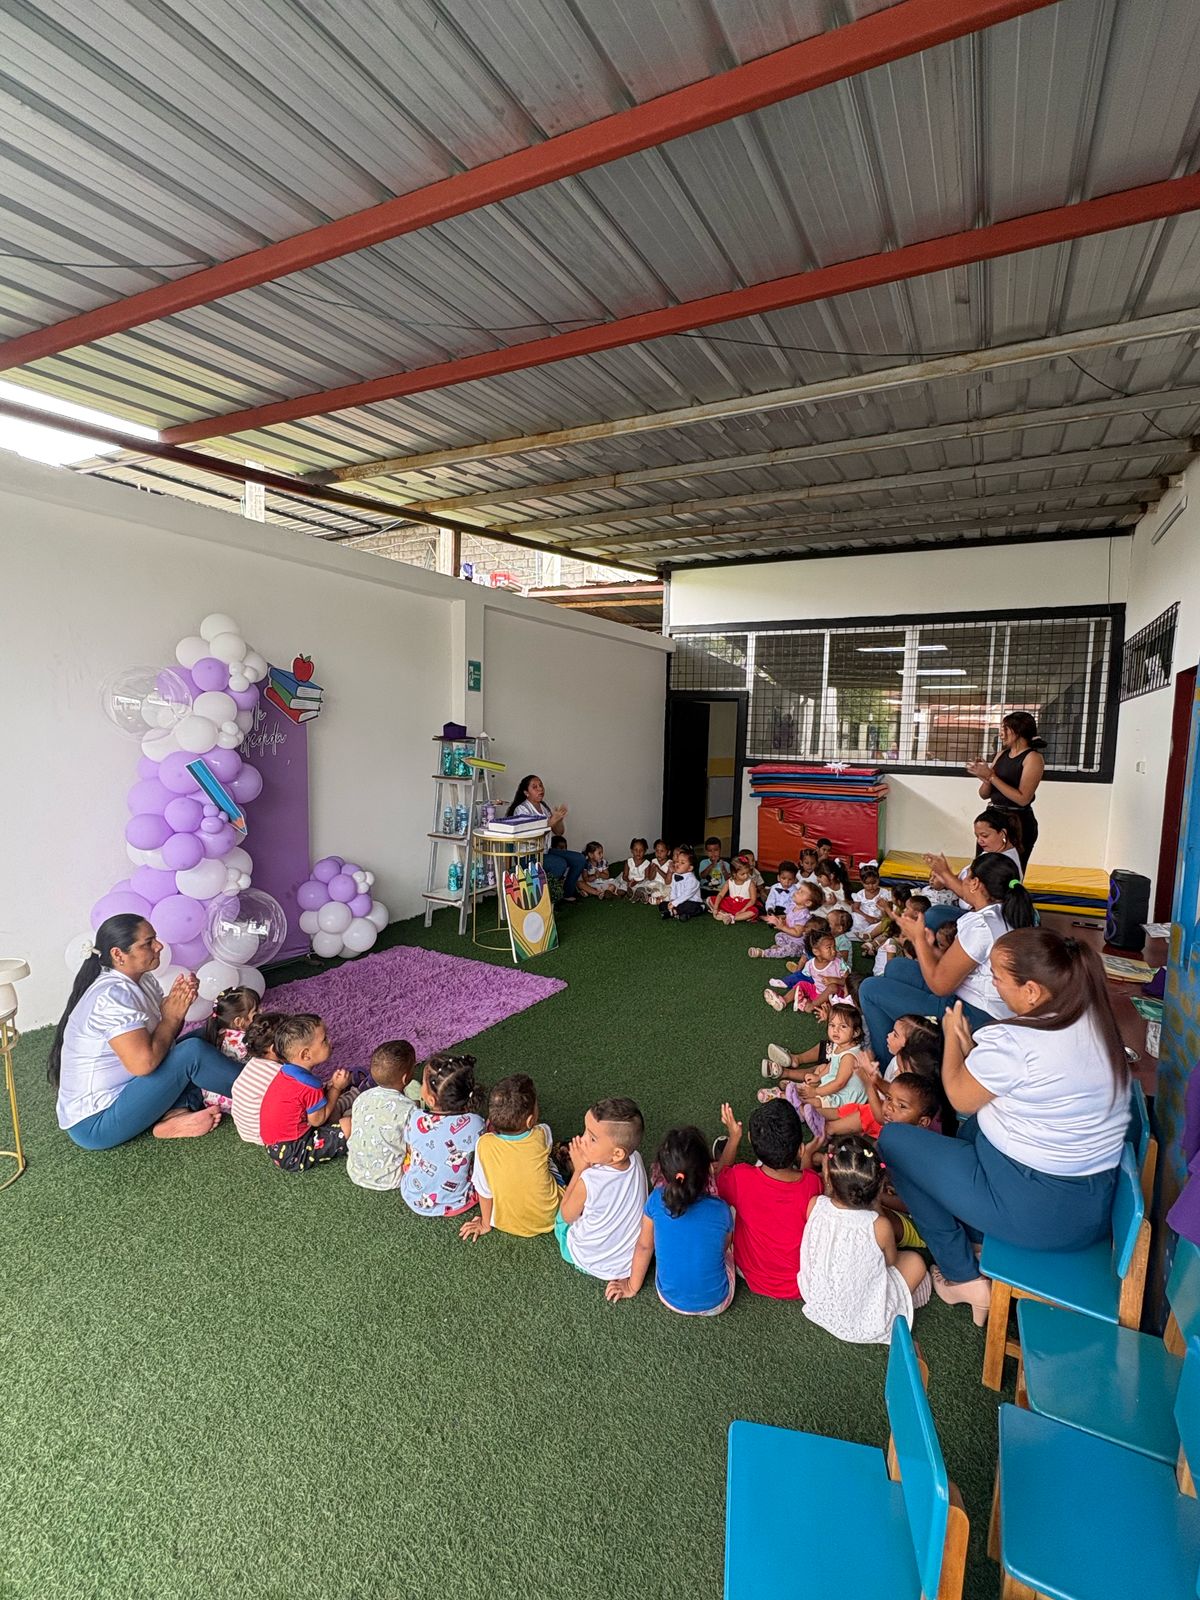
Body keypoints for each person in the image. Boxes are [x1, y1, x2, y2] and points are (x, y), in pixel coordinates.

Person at [878, 928, 1132, 1326]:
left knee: (895, 1141)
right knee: (971, 1130)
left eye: (997, 976)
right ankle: (976, 1236)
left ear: (1031, 991)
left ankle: (961, 1276)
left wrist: (952, 1038)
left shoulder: (1017, 1040)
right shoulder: (1091, 1019)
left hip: (1039, 1210)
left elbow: (959, 1096)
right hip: (1091, 1205)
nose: (991, 982)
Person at [48, 913, 239, 1149]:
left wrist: (177, 1010)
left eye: (155, 939)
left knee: (208, 1034)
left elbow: (163, 1041)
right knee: (193, 1053)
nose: (159, 946)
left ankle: (175, 1113)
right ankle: (268, 1091)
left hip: (131, 1089)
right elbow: (144, 1064)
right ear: (119, 955)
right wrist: (170, 1017)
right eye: (148, 943)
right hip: (95, 1123)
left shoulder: (143, 980)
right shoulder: (111, 996)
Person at [858, 852, 1037, 1062]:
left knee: (869, 988)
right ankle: (907, 1044)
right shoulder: (1006, 912)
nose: (962, 882)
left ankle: (887, 1067)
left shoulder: (981, 926)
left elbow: (940, 986)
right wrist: (929, 947)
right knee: (896, 967)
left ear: (975, 884)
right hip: (971, 999)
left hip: (973, 1014)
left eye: (966, 876)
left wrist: (918, 940)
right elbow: (956, 964)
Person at [799, 1134, 931, 1344]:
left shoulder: (815, 1204)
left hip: (818, 1304)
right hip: (865, 1322)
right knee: (916, 1262)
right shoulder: (879, 1225)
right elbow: (891, 1262)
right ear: (879, 1186)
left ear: (827, 1175)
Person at [606, 1127, 735, 1315]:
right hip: (717, 1303)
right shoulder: (721, 1209)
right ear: (707, 1171)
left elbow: (644, 1246)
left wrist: (631, 1287)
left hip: (669, 1298)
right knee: (732, 1219)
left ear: (662, 1171)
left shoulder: (655, 1200)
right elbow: (725, 1246)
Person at [713, 1099, 820, 1300]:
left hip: (750, 1273)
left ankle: (732, 1149)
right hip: (798, 1283)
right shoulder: (813, 1183)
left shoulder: (741, 1177)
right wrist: (808, 1157)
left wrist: (733, 1138)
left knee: (726, 1205)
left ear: (750, 1138)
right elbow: (807, 1180)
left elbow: (720, 1177)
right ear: (800, 1149)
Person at [555, 1097, 648, 1288]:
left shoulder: (588, 1180)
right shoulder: (636, 1158)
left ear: (617, 1154)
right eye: (585, 1132)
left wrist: (579, 1170)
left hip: (593, 1262)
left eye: (592, 1139)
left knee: (560, 1220)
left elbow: (567, 1216)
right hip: (628, 1263)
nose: (581, 1140)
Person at [460, 1073, 560, 1240]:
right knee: (550, 1164)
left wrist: (485, 1224)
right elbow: (546, 1146)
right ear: (530, 1120)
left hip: (502, 1220)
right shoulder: (542, 1133)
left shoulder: (483, 1144)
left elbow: (484, 1189)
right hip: (551, 1217)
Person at [259, 1014, 352, 1172]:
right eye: (324, 1040)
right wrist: (336, 1088)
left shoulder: (286, 1073)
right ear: (305, 1055)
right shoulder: (309, 1085)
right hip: (294, 1152)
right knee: (349, 1125)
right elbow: (318, 1120)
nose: (330, 1041)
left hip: (275, 1145)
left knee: (334, 1110)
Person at [402, 1053, 488, 1217]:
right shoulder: (476, 1123)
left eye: (423, 1084)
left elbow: (410, 1147)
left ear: (431, 1100)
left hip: (413, 1195)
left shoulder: (416, 1118)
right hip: (458, 1201)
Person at [922, 808, 1025, 933]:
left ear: (1002, 833)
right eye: (977, 836)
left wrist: (945, 874)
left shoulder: (1003, 862)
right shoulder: (991, 851)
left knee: (931, 915)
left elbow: (971, 895)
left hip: (978, 915)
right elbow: (964, 879)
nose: (979, 840)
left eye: (984, 836)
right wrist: (943, 879)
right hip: (966, 907)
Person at [966, 711, 1046, 868]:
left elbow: (1023, 799)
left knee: (1010, 870)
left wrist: (991, 776)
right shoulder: (1001, 754)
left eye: (1005, 729)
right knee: (983, 868)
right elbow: (983, 794)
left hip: (1019, 822)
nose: (1001, 734)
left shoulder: (1033, 758)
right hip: (993, 819)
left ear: (1018, 731)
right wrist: (985, 776)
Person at [346, 1040, 420, 1191]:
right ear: (406, 1078)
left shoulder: (362, 1097)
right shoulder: (409, 1109)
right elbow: (413, 1144)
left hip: (356, 1172)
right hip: (392, 1178)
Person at [506, 774, 587, 901]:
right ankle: (541, 899)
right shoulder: (521, 810)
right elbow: (531, 837)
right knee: (559, 864)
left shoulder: (543, 807)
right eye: (535, 787)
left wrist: (558, 819)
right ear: (526, 793)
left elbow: (559, 832)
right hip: (527, 856)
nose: (540, 789)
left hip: (544, 851)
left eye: (541, 785)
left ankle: (566, 893)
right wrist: (550, 822)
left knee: (579, 859)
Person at [231, 1010, 287, 1145]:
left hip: (246, 1132)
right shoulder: (281, 1073)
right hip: (267, 1135)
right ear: (274, 1050)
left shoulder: (253, 1063)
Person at [763, 929, 849, 1014]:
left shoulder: (839, 963)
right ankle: (783, 1001)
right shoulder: (810, 965)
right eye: (829, 948)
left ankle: (811, 1005)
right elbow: (804, 977)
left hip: (835, 997)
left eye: (834, 946)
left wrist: (835, 980)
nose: (834, 951)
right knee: (801, 984)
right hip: (817, 992)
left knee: (833, 987)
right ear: (816, 952)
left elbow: (848, 981)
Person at [749, 880, 823, 958]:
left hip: (798, 944)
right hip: (790, 938)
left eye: (801, 892)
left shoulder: (803, 915)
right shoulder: (793, 906)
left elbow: (797, 933)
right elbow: (788, 918)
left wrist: (782, 927)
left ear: (808, 903)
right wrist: (778, 920)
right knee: (779, 935)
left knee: (789, 949)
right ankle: (781, 949)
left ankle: (764, 953)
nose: (797, 892)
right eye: (799, 889)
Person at [199, 985, 260, 1067]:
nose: (261, 1011)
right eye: (255, 1012)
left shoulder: (221, 1031)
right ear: (238, 1022)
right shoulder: (245, 1041)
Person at [709, 855, 759, 925]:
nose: (746, 876)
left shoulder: (750, 883)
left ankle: (732, 918)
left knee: (754, 911)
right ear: (734, 874)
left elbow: (753, 900)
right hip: (731, 904)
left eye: (747, 873)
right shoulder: (729, 882)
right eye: (743, 874)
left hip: (745, 905)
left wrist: (742, 910)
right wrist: (715, 908)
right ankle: (724, 914)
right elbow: (720, 895)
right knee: (711, 899)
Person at [661, 846, 705, 921]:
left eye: (682, 863)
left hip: (692, 901)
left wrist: (675, 903)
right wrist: (672, 900)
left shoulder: (692, 880)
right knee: (662, 905)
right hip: (679, 901)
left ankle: (674, 912)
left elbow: (686, 895)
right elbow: (673, 889)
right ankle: (679, 913)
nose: (678, 864)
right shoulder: (675, 875)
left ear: (690, 868)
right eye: (677, 861)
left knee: (688, 906)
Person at [644, 839, 674, 905]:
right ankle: (657, 899)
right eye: (657, 850)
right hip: (655, 886)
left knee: (671, 891)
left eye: (662, 851)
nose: (659, 853)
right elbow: (650, 878)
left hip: (665, 886)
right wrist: (654, 870)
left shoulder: (670, 863)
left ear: (668, 852)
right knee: (648, 884)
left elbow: (668, 881)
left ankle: (660, 899)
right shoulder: (653, 861)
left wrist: (658, 870)